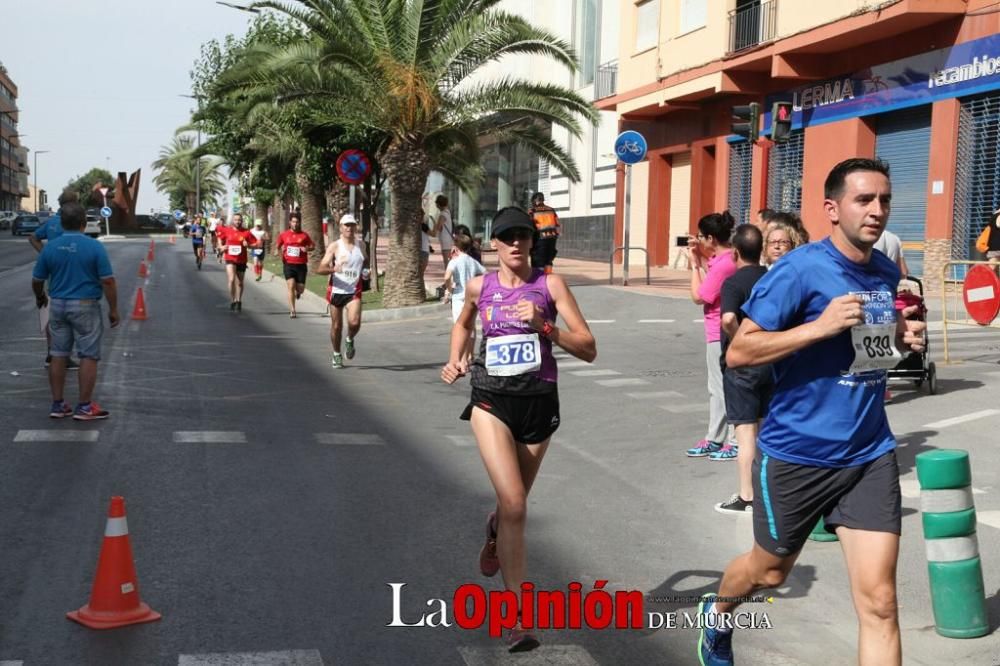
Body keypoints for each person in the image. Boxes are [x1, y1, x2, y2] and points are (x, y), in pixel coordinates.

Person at [698, 158, 926, 666]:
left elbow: (869, 354)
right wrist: (817, 327)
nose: (876, 211)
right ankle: (718, 613)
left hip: (868, 453)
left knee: (881, 604)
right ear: (832, 208)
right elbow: (739, 352)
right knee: (770, 572)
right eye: (863, 200)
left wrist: (900, 340)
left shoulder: (886, 272)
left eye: (884, 200)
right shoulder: (798, 270)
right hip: (796, 454)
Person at [441, 207, 596, 653]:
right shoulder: (479, 286)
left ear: (533, 241)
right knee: (515, 503)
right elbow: (463, 324)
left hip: (538, 403)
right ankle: (517, 617)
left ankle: (495, 528)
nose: (515, 244)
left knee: (514, 507)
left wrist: (544, 325)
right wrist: (457, 357)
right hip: (491, 399)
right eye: (506, 236)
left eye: (522, 236)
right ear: (493, 243)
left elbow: (588, 348)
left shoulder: (550, 285)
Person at [30, 202, 119, 421]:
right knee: (88, 354)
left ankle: (58, 404)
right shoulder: (94, 247)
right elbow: (107, 281)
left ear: (61, 222)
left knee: (58, 354)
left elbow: (37, 279)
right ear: (83, 223)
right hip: (85, 306)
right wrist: (113, 309)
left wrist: (40, 296)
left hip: (58, 305)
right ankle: (85, 407)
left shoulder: (51, 247)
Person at [715, 225, 771, 514]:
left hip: (742, 367)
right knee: (764, 432)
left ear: (735, 252)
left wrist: (740, 343)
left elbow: (726, 319)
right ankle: (767, 493)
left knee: (745, 433)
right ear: (761, 249)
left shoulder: (733, 283)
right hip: (771, 361)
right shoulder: (772, 278)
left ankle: (747, 496)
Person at [685, 211, 737, 459]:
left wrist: (694, 266)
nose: (700, 241)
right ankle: (717, 438)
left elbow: (699, 296)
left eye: (701, 237)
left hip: (719, 332)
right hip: (720, 331)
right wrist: (701, 256)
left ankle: (726, 440)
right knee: (719, 387)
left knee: (720, 388)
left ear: (711, 238)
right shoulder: (726, 258)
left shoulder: (724, 263)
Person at [30, 188, 81, 370]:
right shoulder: (73, 222)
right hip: (73, 276)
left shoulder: (51, 222)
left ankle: (52, 355)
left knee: (53, 317)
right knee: (71, 318)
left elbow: (33, 237)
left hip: (53, 276)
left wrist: (45, 253)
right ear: (74, 204)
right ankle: (63, 357)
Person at [316, 214, 366, 368]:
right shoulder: (335, 246)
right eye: (346, 225)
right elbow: (320, 268)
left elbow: (364, 263)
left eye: (352, 225)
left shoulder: (361, 245)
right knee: (337, 326)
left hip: (354, 290)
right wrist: (333, 269)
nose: (349, 228)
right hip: (337, 290)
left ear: (355, 227)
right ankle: (337, 353)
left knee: (354, 322)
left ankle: (350, 339)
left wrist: (366, 272)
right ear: (341, 227)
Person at [442, 234, 486, 362]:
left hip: (459, 295)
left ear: (456, 246)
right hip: (471, 296)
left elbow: (446, 277)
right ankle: (470, 355)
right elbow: (485, 273)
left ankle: (462, 358)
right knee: (471, 325)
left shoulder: (455, 261)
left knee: (460, 325)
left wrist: (450, 288)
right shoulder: (472, 261)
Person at [275, 212, 315, 318]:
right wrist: (278, 253)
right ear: (290, 222)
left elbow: (312, 246)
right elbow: (277, 246)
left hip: (301, 265)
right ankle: (292, 310)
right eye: (293, 221)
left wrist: (306, 248)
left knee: (300, 288)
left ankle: (298, 292)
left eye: (297, 222)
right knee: (291, 286)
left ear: (300, 223)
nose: (295, 224)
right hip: (288, 264)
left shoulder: (304, 235)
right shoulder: (284, 235)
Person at [216, 213, 257, 312]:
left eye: (239, 220)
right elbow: (219, 238)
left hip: (241, 260)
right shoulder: (227, 230)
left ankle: (239, 300)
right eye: (235, 220)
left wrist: (248, 245)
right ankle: (233, 300)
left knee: (240, 283)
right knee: (231, 280)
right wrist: (221, 246)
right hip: (230, 258)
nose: (237, 222)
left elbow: (255, 243)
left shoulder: (246, 232)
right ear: (232, 221)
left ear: (242, 221)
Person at [528, 192, 560, 274]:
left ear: (535, 201)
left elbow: (529, 227)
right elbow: (557, 225)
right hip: (552, 239)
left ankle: (539, 279)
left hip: (539, 239)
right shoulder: (551, 210)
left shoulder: (532, 211)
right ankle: (547, 277)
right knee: (548, 260)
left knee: (538, 261)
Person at [432, 194, 454, 270]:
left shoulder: (443, 214)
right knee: (448, 260)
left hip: (445, 240)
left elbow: (438, 227)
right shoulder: (447, 212)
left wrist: (435, 224)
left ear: (438, 204)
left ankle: (449, 279)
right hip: (447, 239)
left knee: (446, 261)